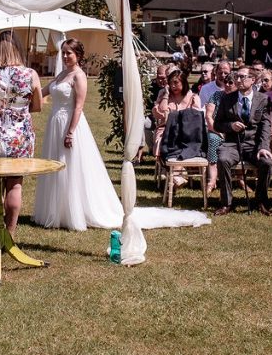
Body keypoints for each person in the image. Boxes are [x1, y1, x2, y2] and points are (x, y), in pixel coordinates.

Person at [35, 39, 209, 231]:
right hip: (55, 123)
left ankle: (74, 212)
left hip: (70, 124)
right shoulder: (61, 74)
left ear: (78, 55)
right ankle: (56, 209)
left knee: (70, 166)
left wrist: (70, 132)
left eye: (69, 53)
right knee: (55, 165)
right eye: (64, 52)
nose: (66, 56)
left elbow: (78, 107)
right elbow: (41, 92)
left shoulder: (79, 76)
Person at [0, 31, 41, 235]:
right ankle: (10, 232)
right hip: (19, 137)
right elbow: (37, 106)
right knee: (15, 185)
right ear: (18, 49)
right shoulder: (30, 74)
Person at [212, 67, 272, 216]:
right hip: (232, 144)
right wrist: (230, 126)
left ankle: (261, 201)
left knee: (267, 162)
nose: (238, 80)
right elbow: (217, 124)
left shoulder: (263, 99)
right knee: (223, 159)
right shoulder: (227, 99)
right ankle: (226, 203)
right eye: (237, 77)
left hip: (254, 144)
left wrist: (264, 147)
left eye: (242, 77)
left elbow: (266, 126)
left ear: (253, 80)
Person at [152, 70, 199, 161]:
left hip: (186, 131)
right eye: (170, 83)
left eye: (176, 83)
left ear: (184, 82)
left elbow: (195, 119)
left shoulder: (193, 97)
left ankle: (179, 166)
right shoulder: (163, 94)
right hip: (165, 129)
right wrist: (166, 95)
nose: (173, 86)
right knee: (163, 139)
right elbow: (159, 114)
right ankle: (167, 165)